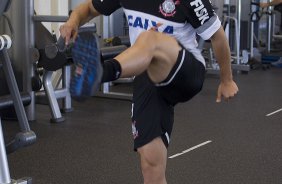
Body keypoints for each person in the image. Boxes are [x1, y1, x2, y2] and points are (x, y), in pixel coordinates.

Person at [60, 0, 239, 183]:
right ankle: (98, 73)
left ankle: (101, 72)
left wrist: (227, 80)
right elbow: (89, 8)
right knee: (150, 163)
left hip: (186, 70)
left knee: (150, 39)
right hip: (147, 76)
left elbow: (217, 36)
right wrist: (72, 22)